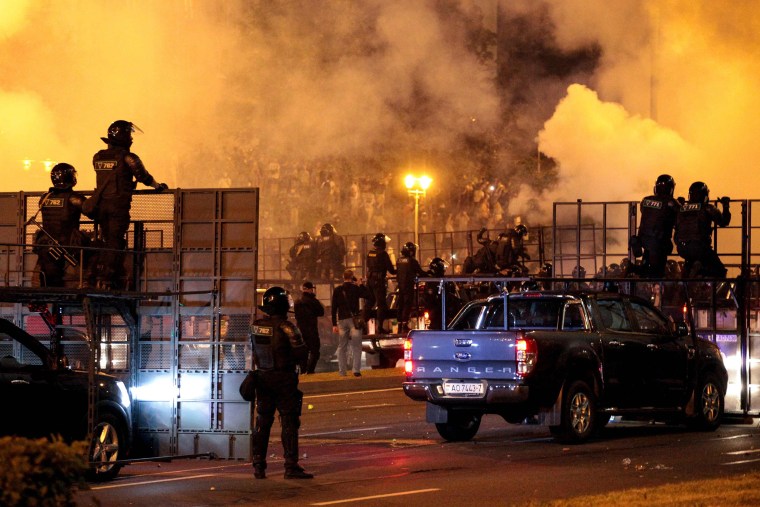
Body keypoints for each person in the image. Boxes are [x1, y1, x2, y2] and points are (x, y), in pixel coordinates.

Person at [89, 120, 168, 289]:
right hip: (118, 207)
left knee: (106, 239)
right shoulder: (128, 157)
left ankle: (99, 275)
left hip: (101, 207)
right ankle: (107, 279)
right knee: (115, 242)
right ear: (124, 136)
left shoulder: (98, 157)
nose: (132, 138)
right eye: (130, 134)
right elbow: (144, 177)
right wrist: (158, 187)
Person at [250, 286, 313, 480]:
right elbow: (302, 352)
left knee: (262, 422)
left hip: (263, 378)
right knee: (289, 422)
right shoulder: (288, 327)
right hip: (284, 379)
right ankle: (290, 466)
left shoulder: (257, 326)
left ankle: (258, 465)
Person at [33, 163, 90, 287]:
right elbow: (92, 211)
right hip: (69, 244)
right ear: (70, 177)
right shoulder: (74, 198)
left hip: (47, 244)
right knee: (93, 249)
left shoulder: (44, 198)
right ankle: (88, 280)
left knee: (49, 280)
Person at [674, 182, 731, 278]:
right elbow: (724, 222)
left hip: (681, 248)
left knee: (692, 263)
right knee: (720, 271)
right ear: (705, 195)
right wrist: (726, 206)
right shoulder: (708, 208)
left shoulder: (681, 208)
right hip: (700, 248)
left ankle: (690, 273)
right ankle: (701, 272)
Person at [629, 174, 680, 278]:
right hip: (659, 243)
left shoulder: (645, 200)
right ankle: (633, 269)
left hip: (644, 241)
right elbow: (681, 217)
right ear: (671, 189)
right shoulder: (671, 203)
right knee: (657, 273)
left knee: (646, 269)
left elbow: (647, 212)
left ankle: (632, 268)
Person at [331, 269, 369, 377]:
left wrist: (334, 324)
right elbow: (369, 296)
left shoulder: (338, 290)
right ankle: (356, 370)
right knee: (356, 346)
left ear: (343, 277)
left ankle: (342, 372)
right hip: (354, 321)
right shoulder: (355, 288)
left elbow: (334, 308)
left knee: (342, 346)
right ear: (352, 277)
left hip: (342, 321)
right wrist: (361, 284)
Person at [365, 232, 396, 334]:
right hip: (378, 282)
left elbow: (368, 266)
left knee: (369, 302)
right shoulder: (383, 254)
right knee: (381, 304)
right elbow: (391, 270)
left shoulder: (370, 253)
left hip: (370, 281)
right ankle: (380, 327)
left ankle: (361, 322)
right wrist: (400, 270)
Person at [294, 281, 324, 374]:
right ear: (310, 289)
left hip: (301, 330)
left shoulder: (297, 302)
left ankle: (303, 371)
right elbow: (321, 312)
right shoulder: (313, 301)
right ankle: (310, 370)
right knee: (315, 351)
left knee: (304, 352)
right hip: (311, 330)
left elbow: (296, 316)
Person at [395, 242, 427, 332]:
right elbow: (420, 272)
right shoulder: (412, 261)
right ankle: (405, 325)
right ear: (412, 252)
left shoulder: (399, 260)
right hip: (408, 286)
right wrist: (429, 273)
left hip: (400, 286)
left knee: (400, 305)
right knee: (407, 305)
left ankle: (399, 325)